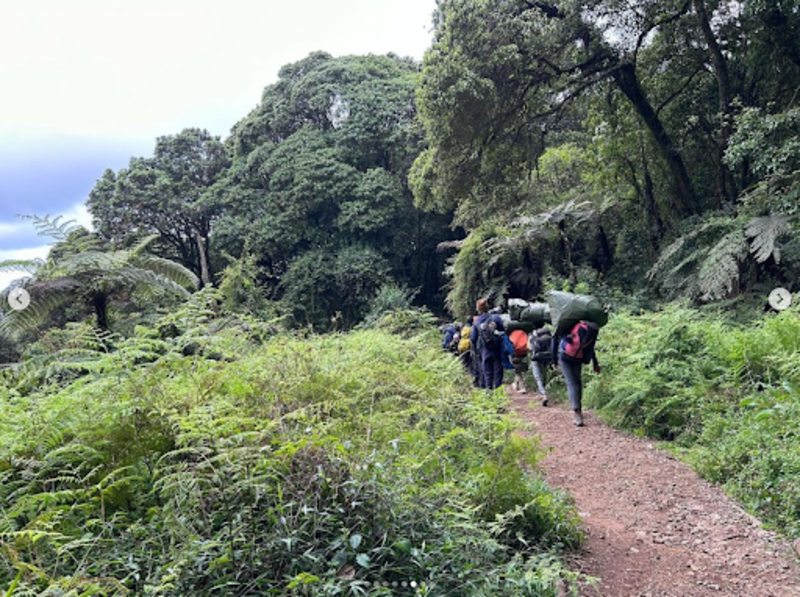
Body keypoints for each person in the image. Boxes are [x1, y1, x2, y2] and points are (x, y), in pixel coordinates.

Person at [553, 320, 601, 427]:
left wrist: (554, 359)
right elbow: (590, 347)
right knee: (577, 383)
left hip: (565, 356)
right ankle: (579, 410)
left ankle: (577, 413)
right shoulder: (590, 328)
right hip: (579, 357)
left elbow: (555, 340)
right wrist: (595, 363)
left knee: (571, 383)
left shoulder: (567, 324)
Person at [470, 298, 505, 390]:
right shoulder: (495, 318)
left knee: (487, 372)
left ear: (478, 309)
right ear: (487, 307)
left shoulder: (477, 322)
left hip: (484, 350)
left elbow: (473, 339)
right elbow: (503, 330)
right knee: (498, 371)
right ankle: (498, 392)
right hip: (497, 349)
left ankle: (488, 391)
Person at [529, 324, 553, 405]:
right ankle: (543, 391)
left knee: (537, 376)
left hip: (536, 357)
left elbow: (530, 348)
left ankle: (543, 394)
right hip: (547, 356)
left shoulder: (533, 334)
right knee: (544, 374)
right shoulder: (547, 332)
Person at [508, 328, 530, 393]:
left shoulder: (513, 334)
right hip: (523, 354)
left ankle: (522, 387)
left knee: (518, 372)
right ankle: (516, 385)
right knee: (518, 370)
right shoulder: (523, 333)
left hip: (515, 354)